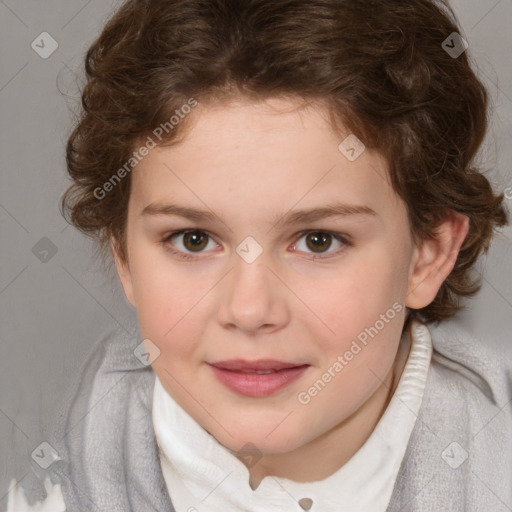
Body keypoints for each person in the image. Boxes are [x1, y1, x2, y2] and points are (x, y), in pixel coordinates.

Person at [5, 0, 511, 510]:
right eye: (193, 239)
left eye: (318, 240)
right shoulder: (44, 489)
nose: (249, 311)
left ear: (428, 255)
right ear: (123, 255)